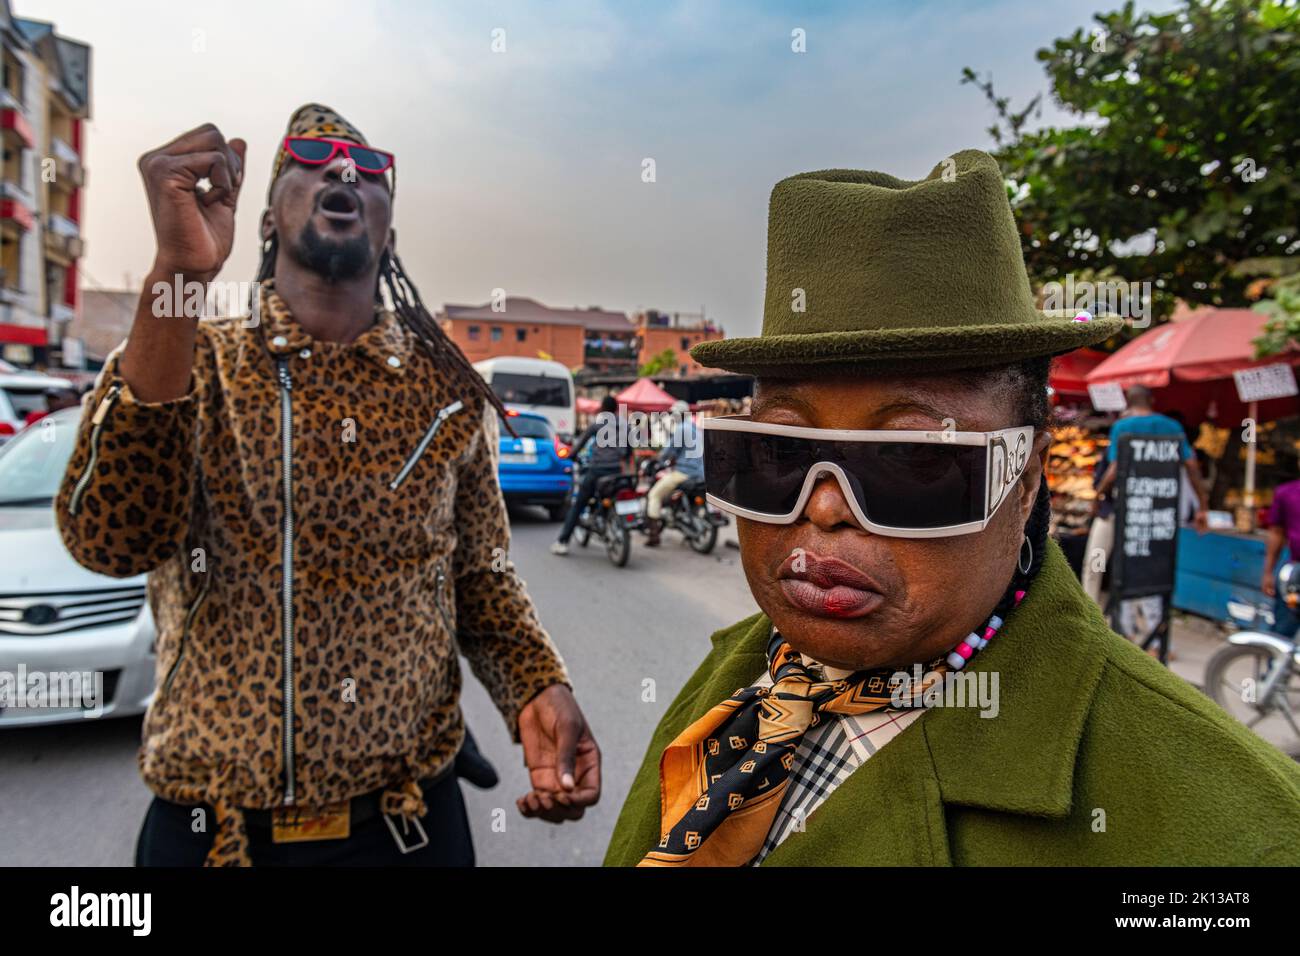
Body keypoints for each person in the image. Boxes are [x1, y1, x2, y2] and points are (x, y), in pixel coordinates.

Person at [604, 151, 1300, 867]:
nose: (824, 508)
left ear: (1027, 473)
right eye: (776, 453)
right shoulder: (741, 674)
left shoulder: (1241, 838)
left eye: (912, 458)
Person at [55, 105, 600, 866]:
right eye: (311, 158)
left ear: (389, 232)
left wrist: (539, 687)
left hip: (409, 826)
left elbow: (480, 577)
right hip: (216, 836)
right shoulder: (191, 359)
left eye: (370, 167)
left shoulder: (444, 391)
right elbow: (112, 542)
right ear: (270, 215)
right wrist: (176, 276)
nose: (344, 169)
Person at [550, 393, 633, 555]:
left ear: (603, 408)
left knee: (578, 504)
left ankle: (562, 541)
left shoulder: (597, 425)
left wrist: (571, 455)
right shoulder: (625, 426)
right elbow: (629, 451)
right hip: (616, 472)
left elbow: (579, 444)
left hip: (597, 471)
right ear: (616, 409)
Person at [644, 399, 704, 546]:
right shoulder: (696, 429)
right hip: (700, 473)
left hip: (684, 473)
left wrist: (658, 459)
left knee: (654, 495)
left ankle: (654, 536)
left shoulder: (681, 428)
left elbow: (668, 451)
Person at [1261, 459, 1300, 637]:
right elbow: (1276, 533)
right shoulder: (1287, 493)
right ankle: (1277, 665)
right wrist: (1268, 572)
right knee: (1283, 632)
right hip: (1295, 574)